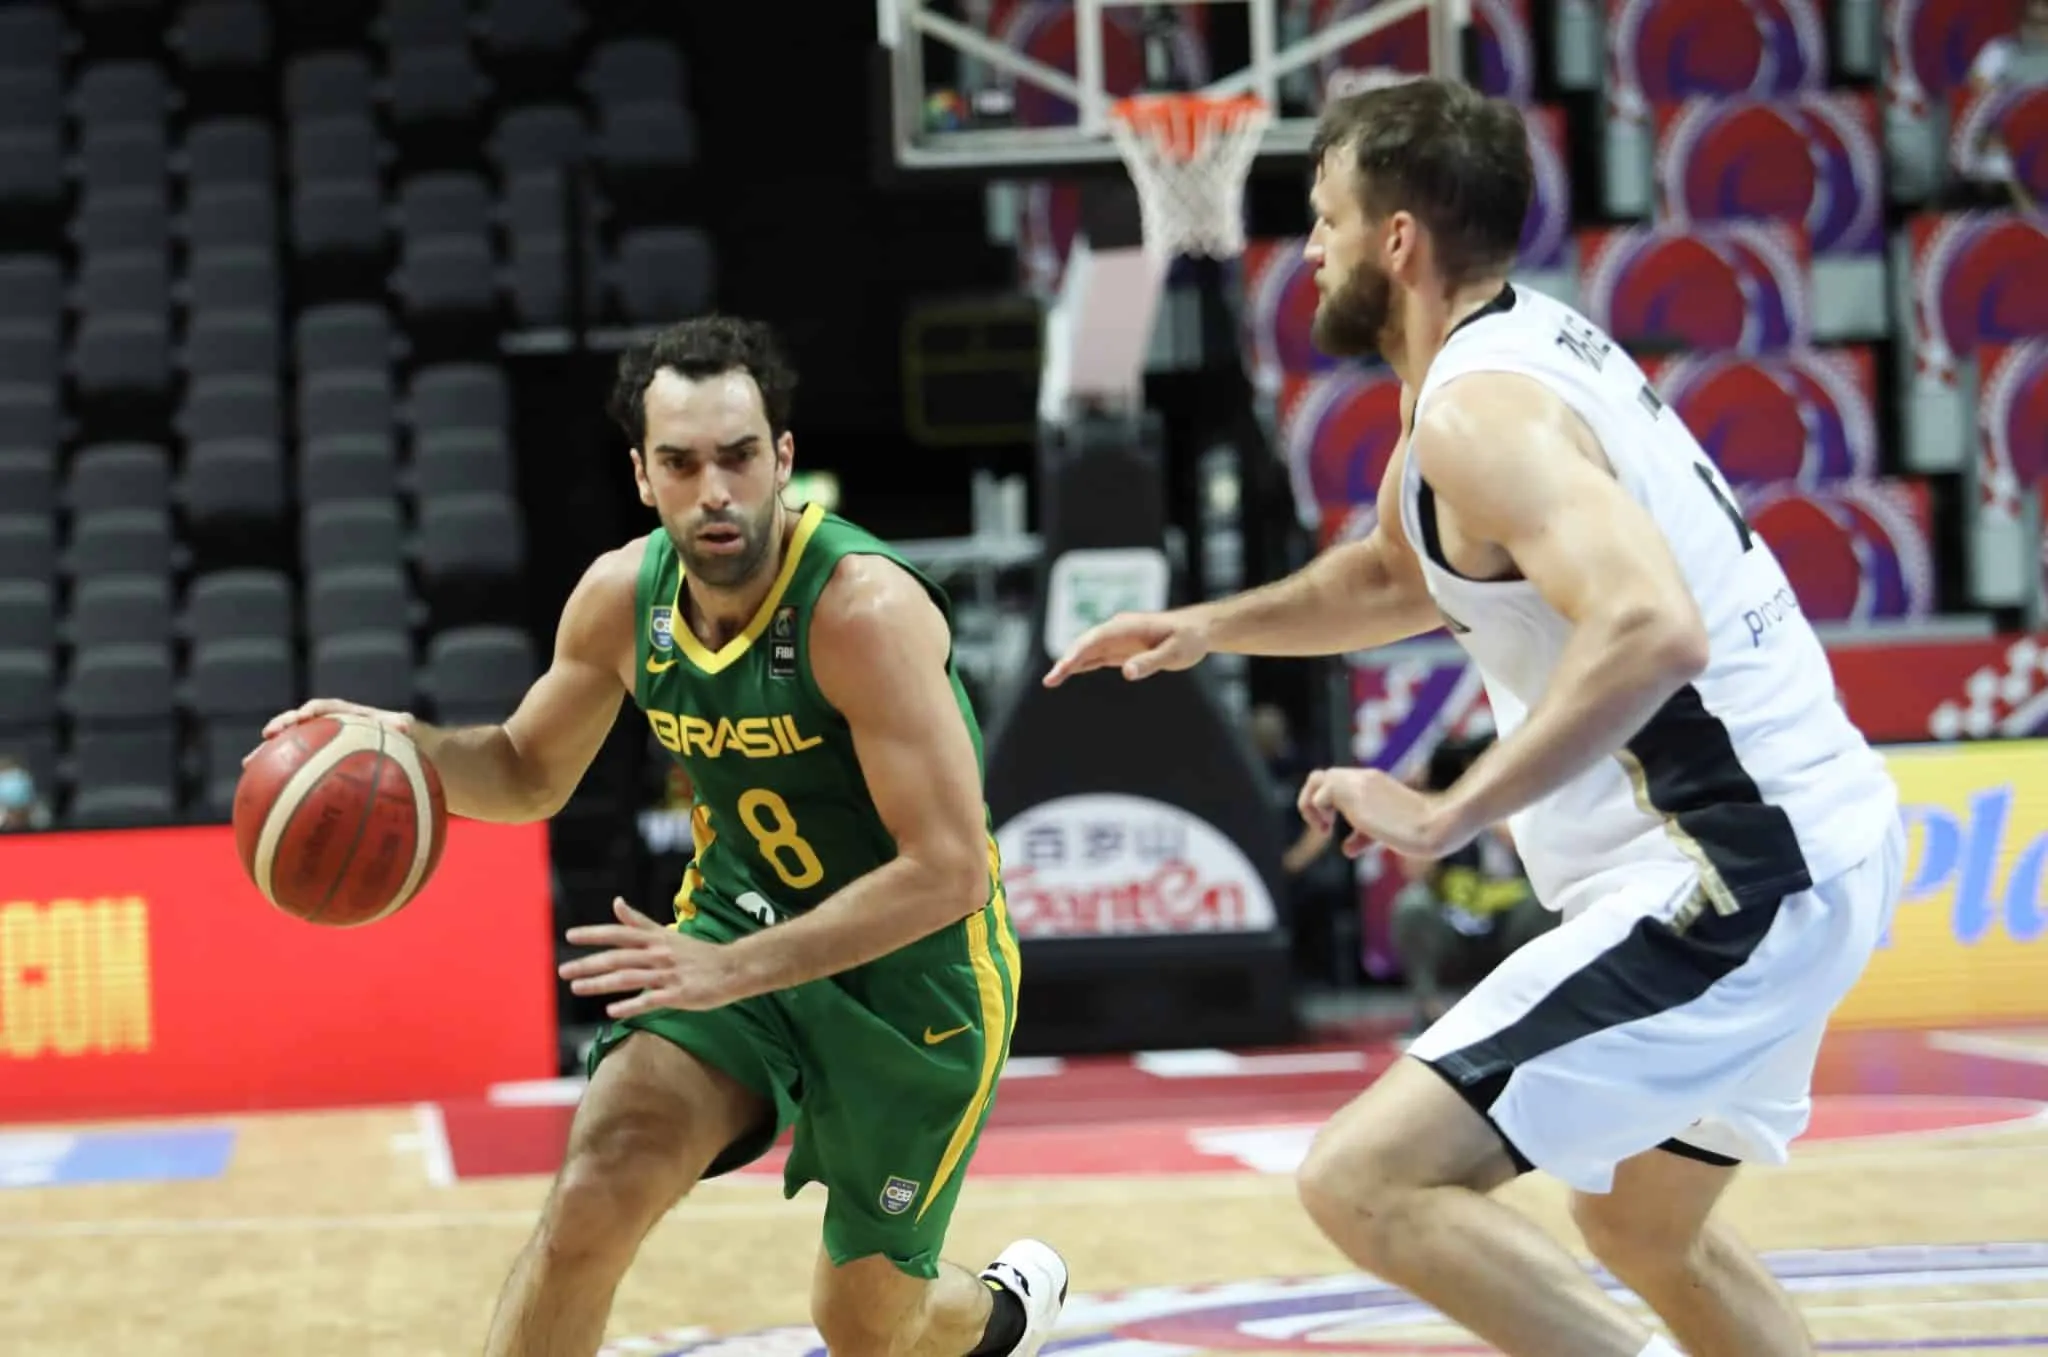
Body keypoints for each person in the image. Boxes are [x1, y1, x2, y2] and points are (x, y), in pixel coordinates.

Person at [1045, 77, 1901, 1357]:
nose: (1312, 247)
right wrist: (1208, 626)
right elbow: (1398, 574)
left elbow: (1649, 625)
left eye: (1327, 217)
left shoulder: (1476, 410)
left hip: (1732, 871)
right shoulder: (1510, 353)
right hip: (1810, 845)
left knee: (1366, 1176)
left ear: (1397, 241)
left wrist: (1447, 809)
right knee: (1638, 1229)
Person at [259, 316, 1067, 1357]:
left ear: (782, 458)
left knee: (867, 1326)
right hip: (734, 936)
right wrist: (395, 744)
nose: (713, 491)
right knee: (597, 1184)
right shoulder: (617, 600)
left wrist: (730, 966)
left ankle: (1002, 1312)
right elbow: (522, 770)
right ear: (643, 475)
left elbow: (948, 871)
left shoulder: (861, 610)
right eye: (681, 464)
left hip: (913, 985)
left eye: (737, 457)